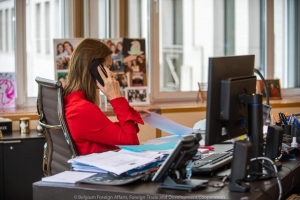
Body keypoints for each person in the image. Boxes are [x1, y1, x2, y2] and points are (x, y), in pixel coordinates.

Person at [63, 38, 150, 155]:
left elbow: (107, 131)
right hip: (98, 170)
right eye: (108, 67)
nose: (112, 73)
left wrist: (129, 114)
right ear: (94, 69)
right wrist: (116, 98)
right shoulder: (82, 109)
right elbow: (132, 145)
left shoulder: (72, 100)